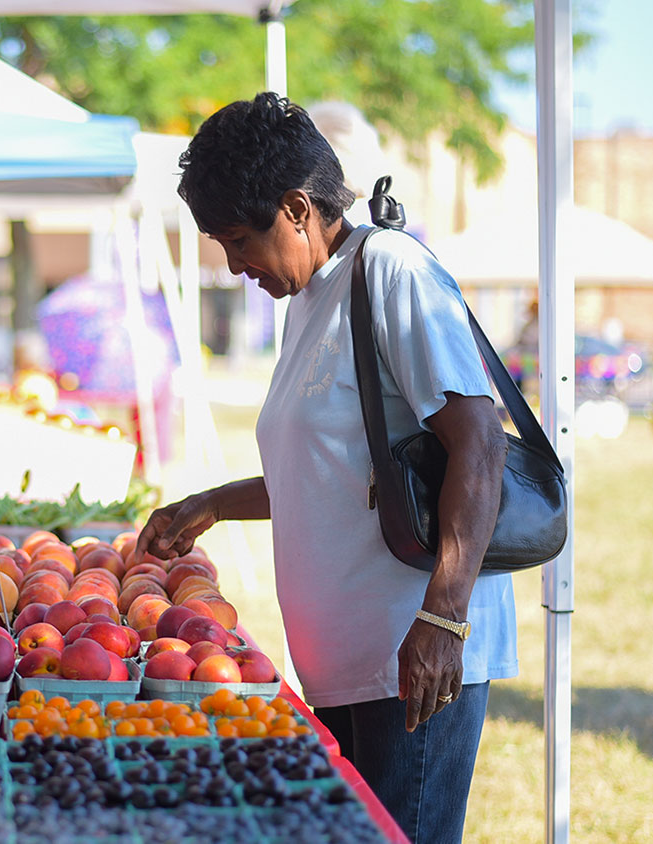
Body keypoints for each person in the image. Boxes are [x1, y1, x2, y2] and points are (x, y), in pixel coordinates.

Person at [134, 93, 514, 844]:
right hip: (346, 667)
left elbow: (479, 442)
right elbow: (329, 475)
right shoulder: (309, 296)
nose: (234, 265)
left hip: (410, 662)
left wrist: (442, 618)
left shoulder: (391, 270)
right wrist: (209, 503)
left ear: (298, 208)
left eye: (239, 239)